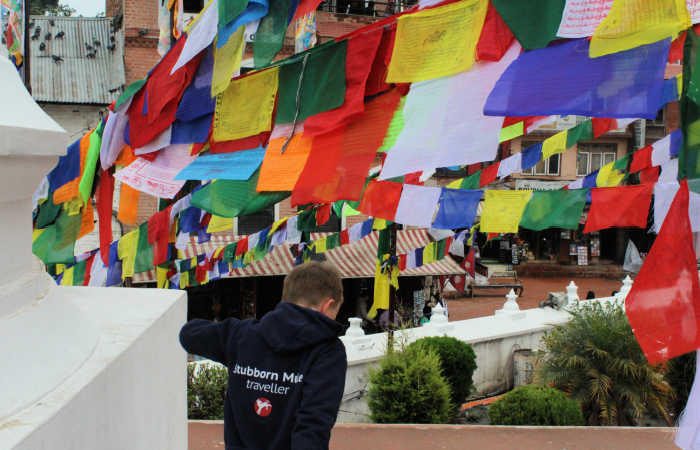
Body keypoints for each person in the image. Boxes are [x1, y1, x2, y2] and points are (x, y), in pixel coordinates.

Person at [179, 262, 347, 450]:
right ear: (328, 306)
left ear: (286, 298)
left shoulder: (240, 335)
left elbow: (189, 334)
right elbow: (313, 427)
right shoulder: (328, 352)